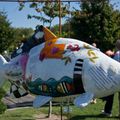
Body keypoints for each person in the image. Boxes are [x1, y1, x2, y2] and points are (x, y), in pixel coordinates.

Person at [100, 41, 120, 117]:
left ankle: (108, 112)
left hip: (115, 77)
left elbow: (113, 65)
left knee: (110, 94)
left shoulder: (117, 54)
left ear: (116, 46)